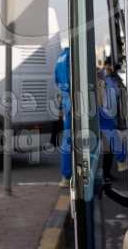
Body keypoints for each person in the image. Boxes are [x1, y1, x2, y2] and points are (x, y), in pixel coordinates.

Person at [98, 57, 128, 181]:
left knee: (109, 149)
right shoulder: (99, 77)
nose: (110, 68)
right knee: (105, 148)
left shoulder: (118, 80)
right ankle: (103, 175)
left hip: (113, 118)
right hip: (102, 118)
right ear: (105, 65)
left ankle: (106, 174)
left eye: (112, 65)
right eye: (108, 65)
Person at [54, 47, 72, 188]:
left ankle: (66, 177)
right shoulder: (72, 55)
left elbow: (57, 80)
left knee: (67, 139)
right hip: (74, 97)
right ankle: (122, 158)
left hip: (66, 99)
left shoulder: (60, 57)